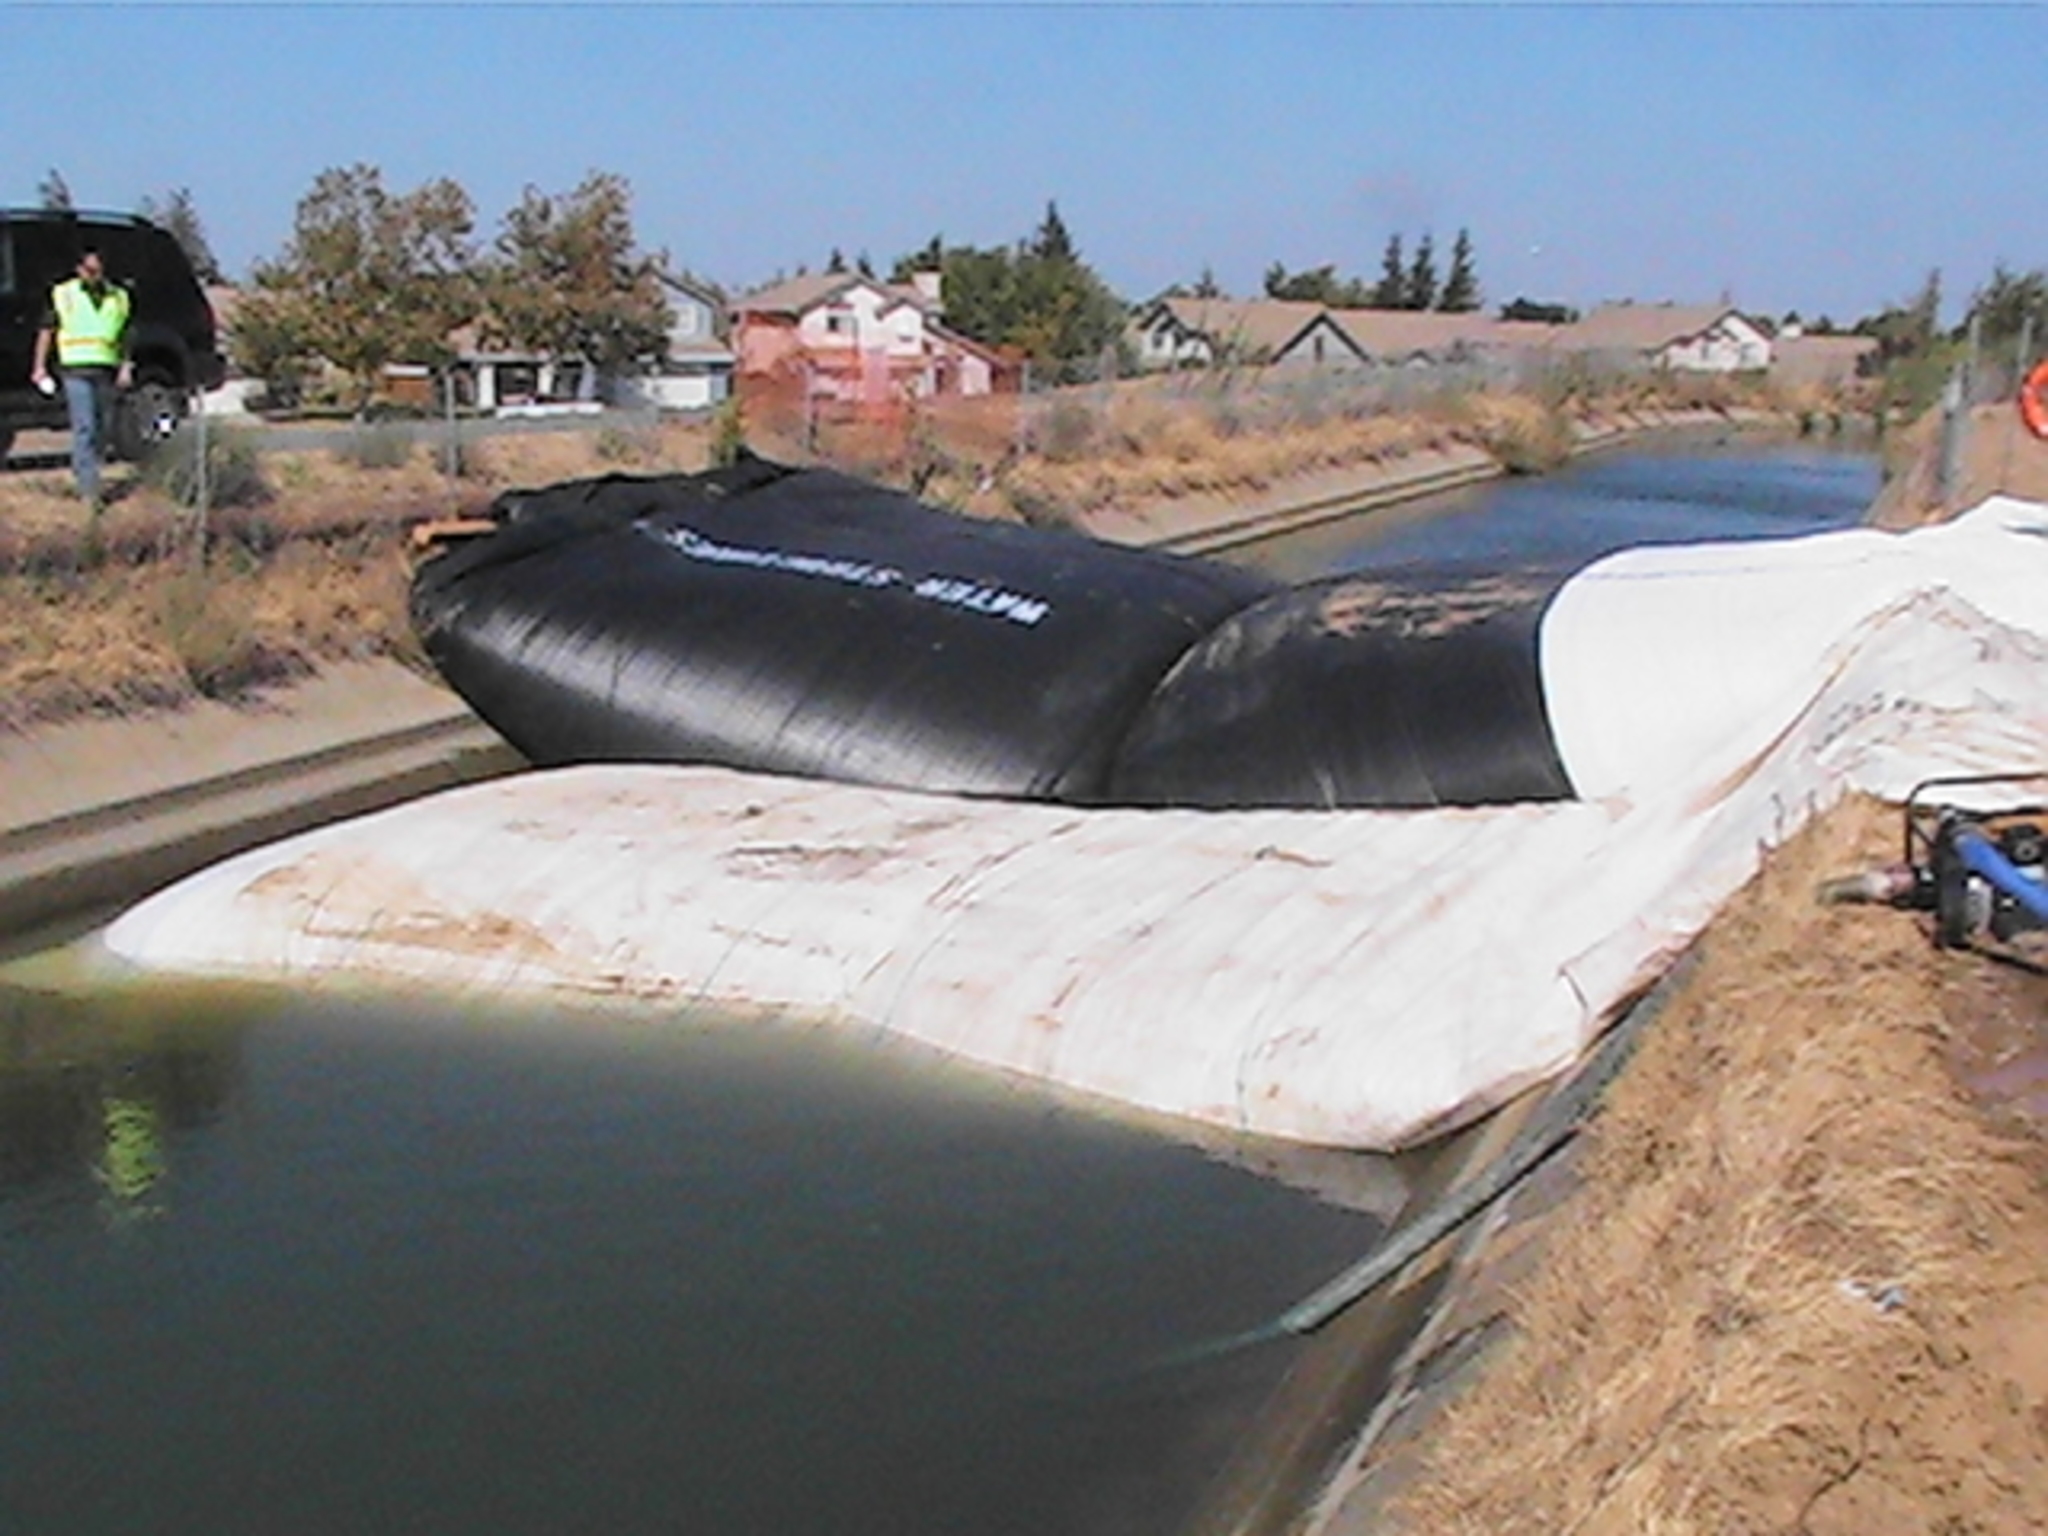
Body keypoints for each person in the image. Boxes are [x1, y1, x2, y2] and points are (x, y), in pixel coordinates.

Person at [30, 247, 132, 510]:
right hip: (75, 370)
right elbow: (46, 331)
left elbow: (125, 335)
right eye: (89, 270)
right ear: (79, 269)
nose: (94, 275)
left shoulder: (119, 297)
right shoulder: (64, 294)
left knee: (103, 428)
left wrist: (125, 366)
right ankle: (89, 488)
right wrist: (39, 367)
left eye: (98, 270)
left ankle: (89, 471)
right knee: (84, 426)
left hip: (106, 369)